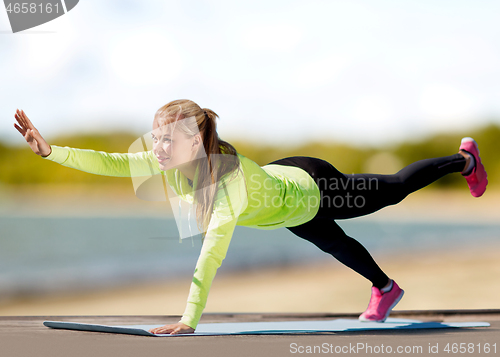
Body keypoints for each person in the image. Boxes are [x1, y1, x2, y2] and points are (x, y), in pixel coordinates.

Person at [13, 100, 488, 335]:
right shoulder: (169, 163)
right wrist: (51, 151)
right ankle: (387, 289)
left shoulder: (225, 186)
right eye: (154, 138)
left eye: (166, 140)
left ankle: (463, 160)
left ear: (194, 144)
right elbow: (112, 162)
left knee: (392, 191)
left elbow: (212, 252)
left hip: (314, 187)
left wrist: (188, 319)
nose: (156, 148)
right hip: (285, 201)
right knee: (334, 244)